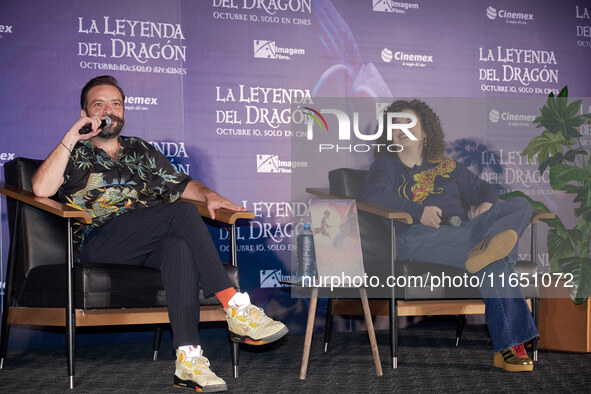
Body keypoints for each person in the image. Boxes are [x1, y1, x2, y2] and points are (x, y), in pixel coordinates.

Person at [31, 75, 288, 392]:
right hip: (101, 243)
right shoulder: (74, 153)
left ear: (124, 111)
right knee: (180, 212)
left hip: (147, 240)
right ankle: (234, 307)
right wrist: (72, 136)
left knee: (178, 247)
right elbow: (41, 188)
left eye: (116, 103)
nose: (108, 110)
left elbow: (180, 184)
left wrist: (209, 195)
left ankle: (188, 361)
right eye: (98, 104)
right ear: (85, 112)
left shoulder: (141, 150)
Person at [363, 99, 538, 372]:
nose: (400, 128)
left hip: (464, 232)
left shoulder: (446, 166)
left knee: (522, 204)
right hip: (417, 235)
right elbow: (375, 194)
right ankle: (511, 347)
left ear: (425, 133)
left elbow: (484, 189)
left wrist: (486, 205)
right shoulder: (385, 166)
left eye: (408, 123)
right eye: (395, 124)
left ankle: (489, 244)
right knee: (495, 260)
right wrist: (417, 210)